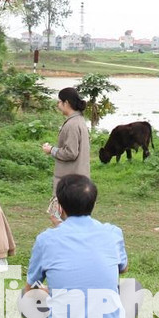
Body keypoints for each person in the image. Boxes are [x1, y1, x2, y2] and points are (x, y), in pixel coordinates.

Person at [24, 174, 131, 318]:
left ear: (59, 207)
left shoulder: (46, 240)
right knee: (133, 287)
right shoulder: (113, 233)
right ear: (93, 202)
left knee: (25, 296)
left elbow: (31, 289)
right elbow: (123, 268)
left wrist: (50, 292)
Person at [41, 87, 90, 224]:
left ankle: (70, 242)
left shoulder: (72, 125)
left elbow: (71, 152)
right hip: (78, 179)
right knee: (70, 218)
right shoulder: (79, 121)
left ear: (66, 103)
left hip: (69, 181)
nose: (58, 105)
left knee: (57, 216)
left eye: (59, 101)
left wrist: (51, 150)